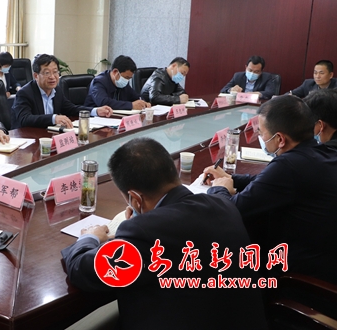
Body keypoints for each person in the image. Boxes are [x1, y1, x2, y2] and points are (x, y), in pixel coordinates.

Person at [62, 138, 266, 330]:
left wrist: (90, 236)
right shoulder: (224, 205)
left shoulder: (145, 231)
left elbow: (81, 269)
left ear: (135, 199)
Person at [204, 96, 337, 284]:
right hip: (323, 260)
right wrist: (231, 178)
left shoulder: (288, 165)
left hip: (302, 277)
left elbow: (230, 211)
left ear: (280, 139)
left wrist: (219, 189)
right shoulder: (322, 152)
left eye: (261, 133)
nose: (261, 138)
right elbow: (266, 181)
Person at [11, 54, 113, 129]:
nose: (52, 77)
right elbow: (25, 119)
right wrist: (53, 118)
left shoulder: (56, 90)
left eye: (55, 72)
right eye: (47, 73)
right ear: (36, 76)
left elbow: (71, 109)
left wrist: (95, 111)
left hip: (48, 134)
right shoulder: (25, 93)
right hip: (27, 138)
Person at [84, 55, 150, 110]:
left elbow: (136, 96)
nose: (127, 80)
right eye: (126, 77)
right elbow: (104, 102)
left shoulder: (123, 83)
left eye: (129, 78)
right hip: (94, 118)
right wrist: (131, 105)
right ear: (115, 72)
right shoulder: (98, 82)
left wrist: (143, 103)